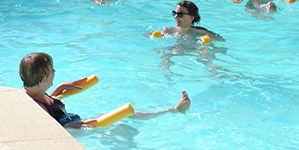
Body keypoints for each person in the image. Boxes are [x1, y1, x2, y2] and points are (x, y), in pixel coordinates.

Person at [19, 52, 190, 128]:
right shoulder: (34, 106)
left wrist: (59, 88)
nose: (55, 72)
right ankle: (174, 111)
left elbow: (44, 99)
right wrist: (80, 125)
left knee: (125, 115)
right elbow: (53, 130)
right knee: (126, 116)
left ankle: (172, 111)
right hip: (75, 128)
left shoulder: (36, 91)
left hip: (72, 120)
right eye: (52, 71)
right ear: (43, 78)